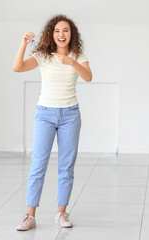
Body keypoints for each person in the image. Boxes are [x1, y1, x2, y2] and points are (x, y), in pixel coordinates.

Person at [12, 14, 92, 231]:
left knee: (66, 166)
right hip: (45, 114)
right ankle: (30, 216)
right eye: (57, 31)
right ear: (51, 34)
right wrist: (23, 44)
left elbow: (88, 76)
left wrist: (72, 62)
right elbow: (17, 67)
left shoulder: (78, 55)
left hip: (70, 115)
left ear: (71, 34)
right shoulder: (43, 56)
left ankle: (61, 213)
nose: (61, 34)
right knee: (38, 165)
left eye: (65, 30)